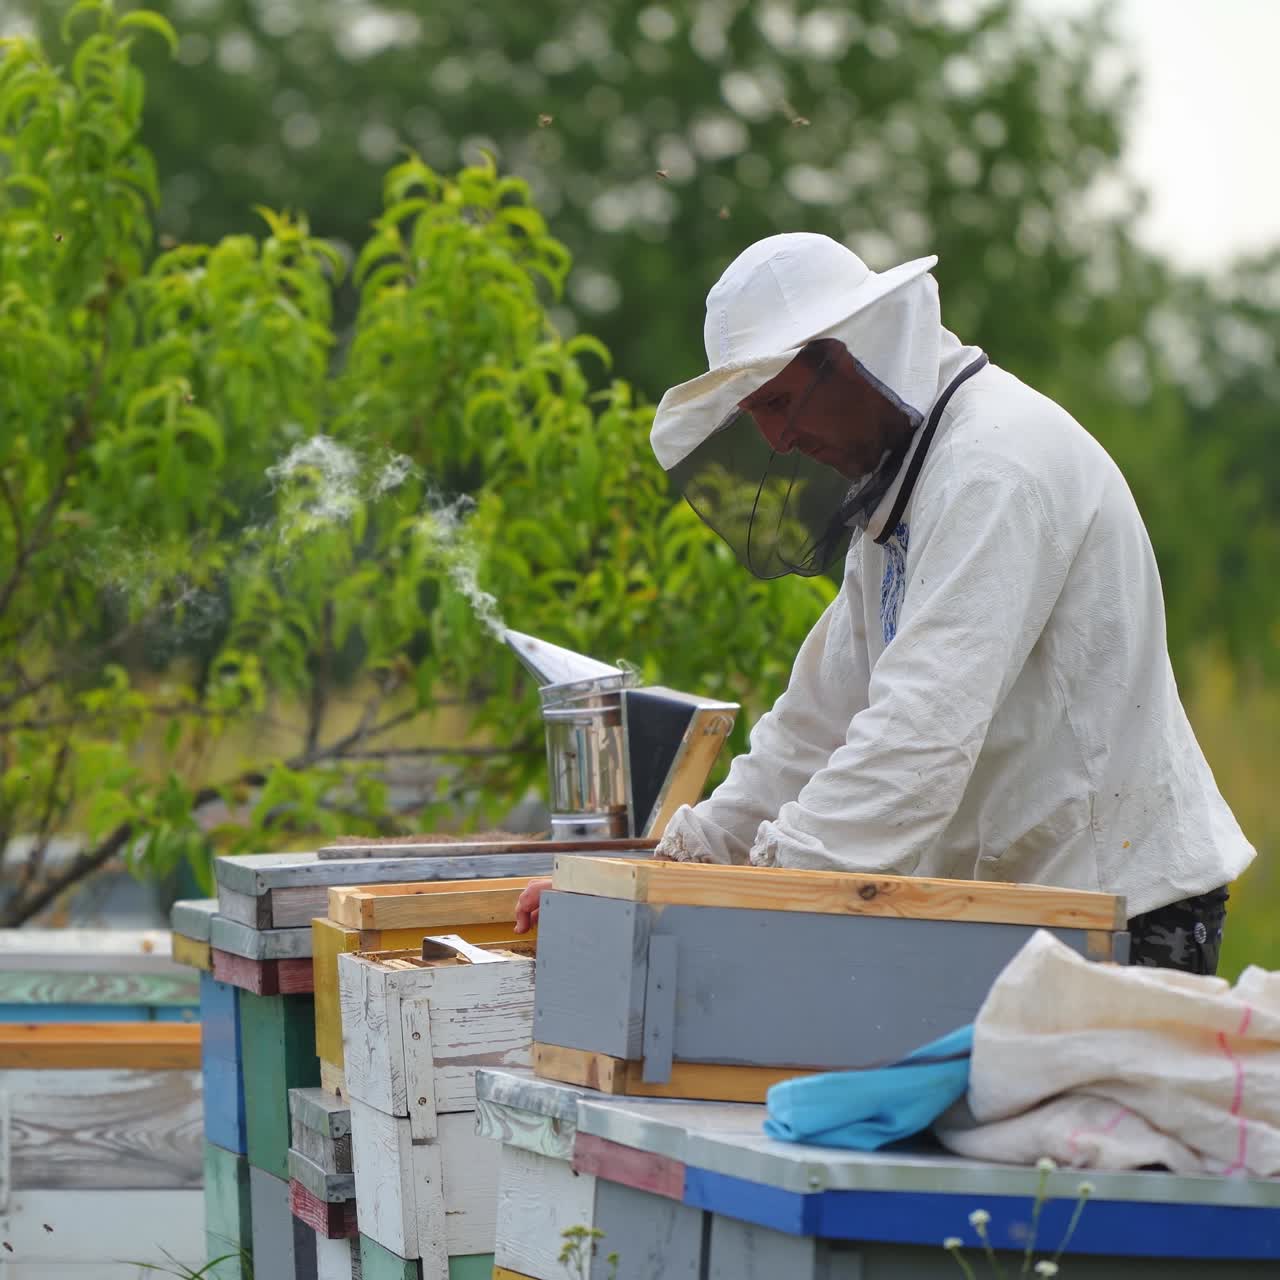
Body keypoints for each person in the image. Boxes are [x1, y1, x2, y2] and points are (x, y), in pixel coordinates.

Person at [514, 232, 1255, 974]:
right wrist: (660, 872)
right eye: (756, 412)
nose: (779, 438)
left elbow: (920, 736)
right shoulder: (903, 488)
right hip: (1025, 912)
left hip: (1124, 911)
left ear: (852, 355)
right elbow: (814, 729)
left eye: (780, 401)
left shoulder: (991, 470)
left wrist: (742, 893)